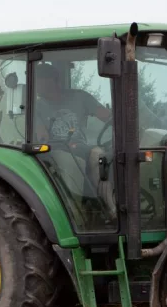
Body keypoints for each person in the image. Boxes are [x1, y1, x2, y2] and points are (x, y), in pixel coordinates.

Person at [32, 63, 115, 224]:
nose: (37, 87)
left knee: (100, 157)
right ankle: (74, 216)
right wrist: (60, 145)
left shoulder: (80, 97)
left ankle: (111, 210)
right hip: (54, 150)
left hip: (81, 147)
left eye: (40, 81)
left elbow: (107, 116)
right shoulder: (37, 107)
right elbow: (42, 137)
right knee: (66, 160)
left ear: (53, 81)